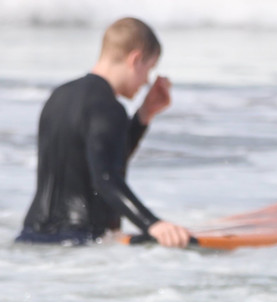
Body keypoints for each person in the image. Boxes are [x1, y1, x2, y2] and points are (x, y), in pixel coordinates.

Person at [16, 17, 191, 247]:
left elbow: (95, 163)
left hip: (31, 234)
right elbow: (106, 178)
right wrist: (152, 224)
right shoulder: (108, 107)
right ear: (135, 59)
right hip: (79, 241)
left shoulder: (58, 96)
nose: (146, 81)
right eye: (148, 70)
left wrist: (143, 116)